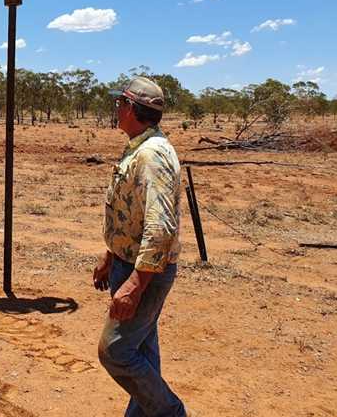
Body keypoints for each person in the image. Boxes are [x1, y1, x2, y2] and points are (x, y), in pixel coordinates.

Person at [93, 76, 190, 417]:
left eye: (119, 103)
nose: (116, 108)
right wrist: (110, 255)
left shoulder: (152, 156)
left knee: (116, 351)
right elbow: (130, 213)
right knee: (143, 352)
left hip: (145, 271)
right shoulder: (139, 145)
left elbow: (160, 228)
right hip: (128, 263)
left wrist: (135, 284)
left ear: (132, 108)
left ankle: (171, 413)